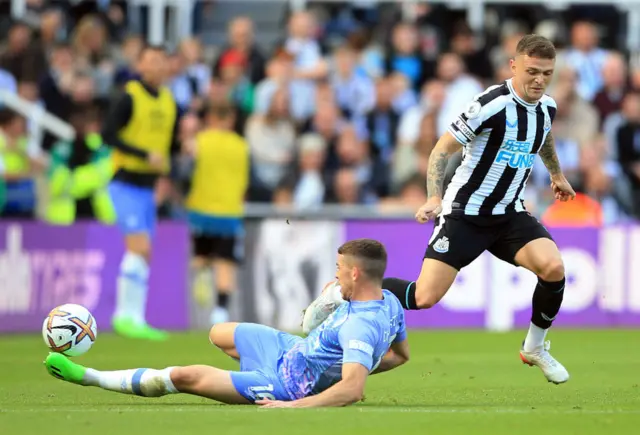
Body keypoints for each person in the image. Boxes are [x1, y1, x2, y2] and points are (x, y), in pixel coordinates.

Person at [379, 34, 575, 384]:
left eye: (547, 73)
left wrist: (556, 175)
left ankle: (534, 346)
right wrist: (433, 196)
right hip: (466, 214)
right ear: (513, 65)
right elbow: (442, 148)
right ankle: (346, 287)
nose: (539, 80)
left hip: (509, 213)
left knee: (554, 267)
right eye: (532, 71)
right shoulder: (490, 104)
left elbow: (543, 136)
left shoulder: (547, 106)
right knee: (423, 297)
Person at [44, 238, 410, 408]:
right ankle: (247, 377)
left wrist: (297, 404)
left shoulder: (361, 326)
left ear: (356, 272)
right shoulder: (390, 302)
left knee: (186, 377)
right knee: (219, 333)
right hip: (292, 350)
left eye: (339, 270)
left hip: (288, 385)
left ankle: (88, 376)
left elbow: (353, 389)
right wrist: (347, 366)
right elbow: (400, 355)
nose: (335, 276)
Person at [101, 45, 181, 341]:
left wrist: (167, 173)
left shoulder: (170, 101)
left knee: (144, 254)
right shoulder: (129, 97)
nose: (157, 67)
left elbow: (168, 145)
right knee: (140, 248)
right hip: (126, 182)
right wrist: (142, 154)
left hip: (149, 186)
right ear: (141, 66)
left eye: (162, 61)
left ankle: (135, 317)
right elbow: (108, 134)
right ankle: (125, 317)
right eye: (151, 61)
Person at [185, 102, 249, 325]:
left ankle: (202, 273)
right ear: (230, 120)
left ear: (211, 118)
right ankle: (220, 311)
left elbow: (187, 164)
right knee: (225, 264)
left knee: (201, 256)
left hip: (201, 209)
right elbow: (244, 181)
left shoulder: (201, 141)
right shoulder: (241, 146)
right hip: (229, 212)